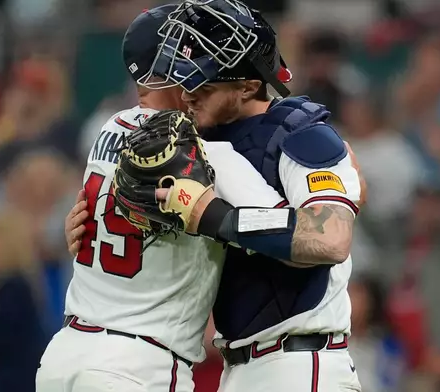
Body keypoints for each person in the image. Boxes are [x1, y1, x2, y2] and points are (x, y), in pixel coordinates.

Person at [66, 1, 366, 391]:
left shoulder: (303, 135)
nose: (188, 93)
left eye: (203, 84)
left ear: (247, 84)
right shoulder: (195, 138)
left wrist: (211, 214)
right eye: (181, 78)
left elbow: (330, 238)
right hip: (237, 365)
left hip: (300, 361)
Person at [36, 5, 288, 392]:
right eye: (191, 57)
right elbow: (287, 229)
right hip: (138, 365)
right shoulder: (203, 152)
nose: (202, 68)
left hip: (64, 355)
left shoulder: (107, 127)